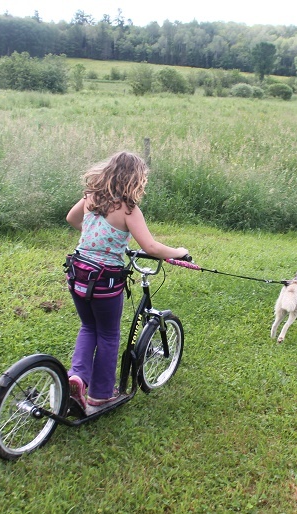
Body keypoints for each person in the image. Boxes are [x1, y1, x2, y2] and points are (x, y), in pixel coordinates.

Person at [65, 151, 188, 410]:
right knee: (109, 335)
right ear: (135, 179)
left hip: (78, 272)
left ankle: (76, 377)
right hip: (104, 281)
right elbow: (151, 246)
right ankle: (100, 394)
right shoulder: (129, 209)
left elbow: (72, 219)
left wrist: (97, 237)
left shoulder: (91, 197)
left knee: (89, 327)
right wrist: (178, 252)